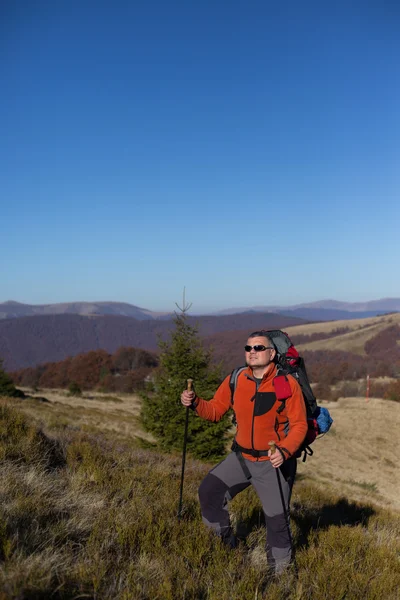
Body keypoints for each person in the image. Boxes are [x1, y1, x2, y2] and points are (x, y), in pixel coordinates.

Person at [181, 330, 308, 574]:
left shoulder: (285, 383)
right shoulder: (237, 378)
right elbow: (216, 410)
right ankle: (225, 547)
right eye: (248, 348)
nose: (252, 352)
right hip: (242, 458)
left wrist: (284, 450)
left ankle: (280, 576)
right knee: (209, 492)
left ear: (271, 353)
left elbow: (300, 424)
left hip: (273, 463)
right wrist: (195, 402)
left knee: (277, 523)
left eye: (259, 348)